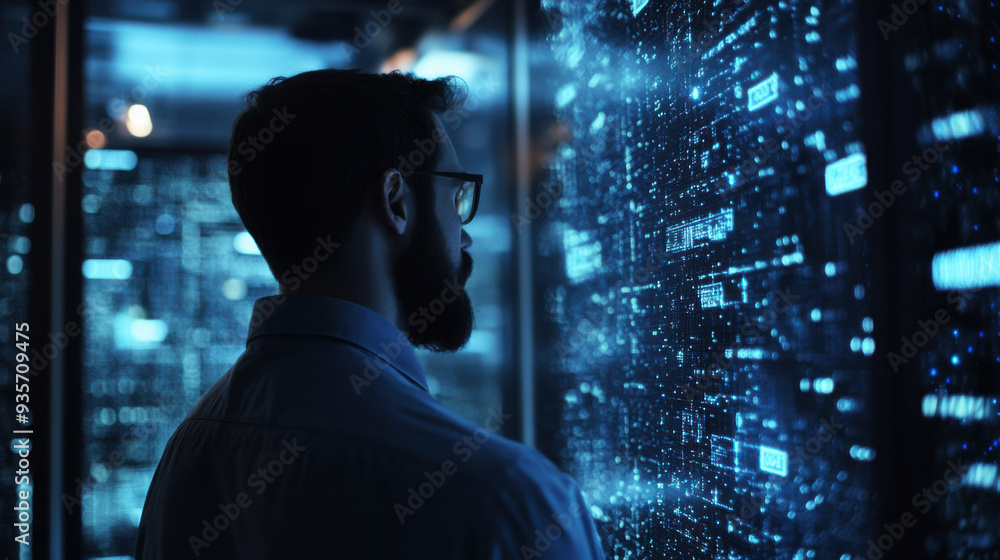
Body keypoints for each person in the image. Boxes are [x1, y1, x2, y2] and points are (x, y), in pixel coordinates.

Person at [135, 68, 604, 559]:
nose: (463, 235)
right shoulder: (510, 499)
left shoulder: (185, 457)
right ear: (395, 200)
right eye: (455, 194)